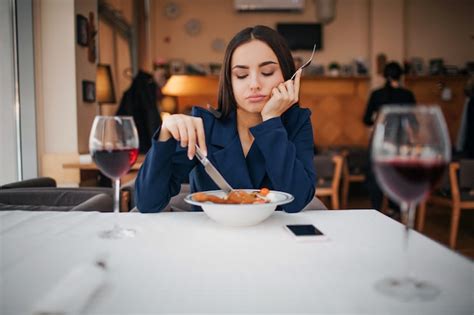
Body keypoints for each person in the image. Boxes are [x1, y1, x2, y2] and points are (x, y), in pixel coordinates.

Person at [135, 25, 316, 213]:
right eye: (241, 75)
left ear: (288, 77)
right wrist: (165, 132)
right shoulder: (204, 127)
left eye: (267, 72)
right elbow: (148, 203)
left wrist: (271, 120)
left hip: (275, 238)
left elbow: (297, 201)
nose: (254, 84)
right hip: (211, 239)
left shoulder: (297, 123)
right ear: (229, 82)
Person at [363, 61, 417, 214]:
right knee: (398, 176)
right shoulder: (407, 95)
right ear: (400, 76)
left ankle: (376, 210)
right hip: (400, 142)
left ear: (384, 76)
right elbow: (414, 123)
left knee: (377, 176)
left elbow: (366, 119)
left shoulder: (376, 94)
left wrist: (379, 120)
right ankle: (396, 211)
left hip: (379, 141)